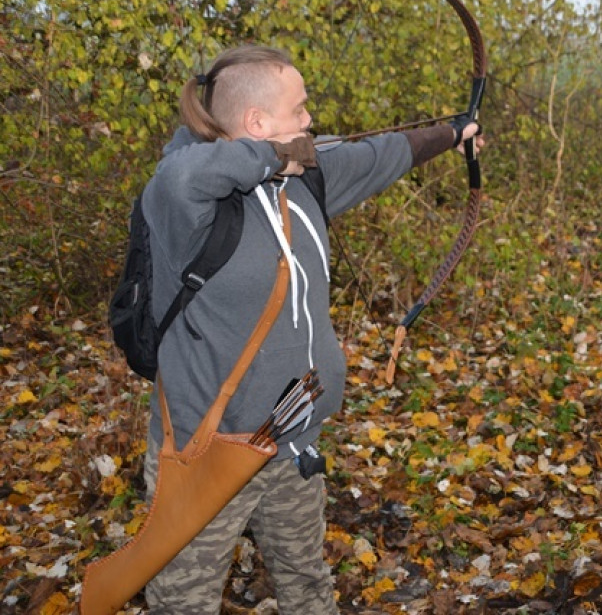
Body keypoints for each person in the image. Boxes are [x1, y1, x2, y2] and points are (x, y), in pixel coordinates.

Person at [139, 45, 481, 614]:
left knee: (307, 583)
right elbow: (189, 170)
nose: (309, 122)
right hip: (203, 452)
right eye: (299, 110)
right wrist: (272, 156)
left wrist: (454, 134)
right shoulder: (184, 197)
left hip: (289, 440)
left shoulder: (306, 183)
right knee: (183, 602)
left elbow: (382, 152)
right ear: (256, 123)